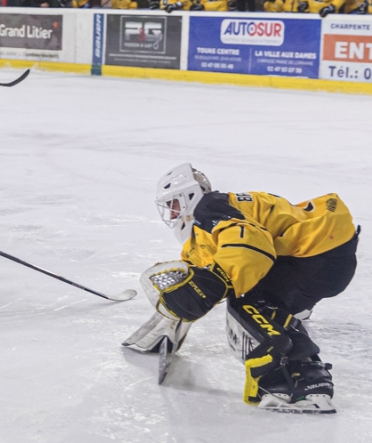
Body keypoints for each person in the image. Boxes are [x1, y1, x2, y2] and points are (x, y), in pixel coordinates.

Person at [129, 163, 357, 413]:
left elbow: (251, 245)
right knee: (251, 293)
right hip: (324, 257)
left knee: (249, 304)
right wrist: (167, 323)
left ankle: (301, 384)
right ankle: (292, 323)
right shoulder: (205, 233)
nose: (171, 214)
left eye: (172, 203)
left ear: (189, 196)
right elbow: (200, 284)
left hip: (318, 255)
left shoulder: (210, 207)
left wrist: (215, 282)